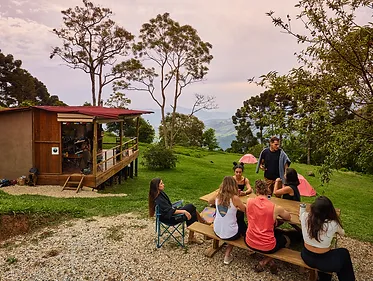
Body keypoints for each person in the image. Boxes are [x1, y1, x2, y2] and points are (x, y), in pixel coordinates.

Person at [300, 196, 355, 281]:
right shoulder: (333, 223)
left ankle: (324, 278)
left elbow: (302, 214)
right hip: (324, 260)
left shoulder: (305, 217)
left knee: (328, 259)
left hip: (306, 256)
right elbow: (342, 233)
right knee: (344, 253)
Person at [245, 179, 291, 274]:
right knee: (287, 239)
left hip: (249, 241)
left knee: (273, 233)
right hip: (267, 246)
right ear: (268, 190)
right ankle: (265, 261)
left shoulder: (249, 201)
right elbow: (288, 217)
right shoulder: (275, 207)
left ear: (256, 191)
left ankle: (269, 261)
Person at [148, 178, 205, 244]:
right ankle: (196, 231)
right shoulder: (159, 199)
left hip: (168, 215)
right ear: (157, 186)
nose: (163, 184)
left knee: (192, 209)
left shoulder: (160, 194)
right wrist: (184, 211)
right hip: (170, 219)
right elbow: (169, 211)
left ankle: (196, 230)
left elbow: (168, 208)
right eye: (161, 183)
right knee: (191, 208)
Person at [208, 176, 246, 265]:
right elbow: (245, 209)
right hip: (231, 234)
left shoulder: (218, 195)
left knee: (235, 218)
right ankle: (227, 255)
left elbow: (210, 201)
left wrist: (219, 191)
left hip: (217, 230)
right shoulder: (234, 198)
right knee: (240, 220)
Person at [232, 162, 252, 236]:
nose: (238, 174)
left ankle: (241, 229)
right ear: (234, 172)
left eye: (240, 172)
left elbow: (250, 189)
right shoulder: (232, 179)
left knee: (240, 212)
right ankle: (240, 229)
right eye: (236, 172)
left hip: (241, 198)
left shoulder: (245, 180)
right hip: (233, 198)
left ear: (242, 172)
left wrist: (245, 192)